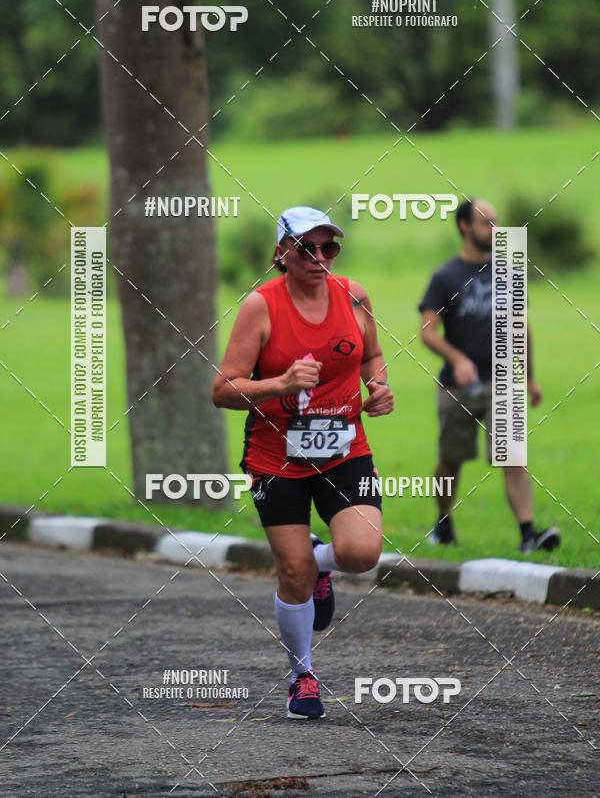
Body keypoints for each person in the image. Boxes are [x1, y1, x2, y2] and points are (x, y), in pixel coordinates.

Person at [212, 206, 393, 719]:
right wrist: (281, 384)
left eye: (328, 247)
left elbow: (370, 356)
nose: (318, 258)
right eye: (306, 248)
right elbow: (223, 390)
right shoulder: (260, 306)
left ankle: (323, 564)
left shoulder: (353, 295)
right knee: (292, 572)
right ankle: (302, 676)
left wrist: (377, 386)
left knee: (361, 553)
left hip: (343, 449)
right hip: (276, 458)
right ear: (281, 254)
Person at [418, 198, 560, 554]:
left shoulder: (508, 271)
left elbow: (521, 327)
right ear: (465, 226)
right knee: (450, 460)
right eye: (487, 223)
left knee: (513, 457)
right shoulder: (445, 276)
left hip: (503, 382)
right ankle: (443, 524)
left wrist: (528, 377)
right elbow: (427, 332)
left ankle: (529, 534)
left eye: (497, 222)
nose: (496, 230)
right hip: (458, 386)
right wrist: (458, 358)